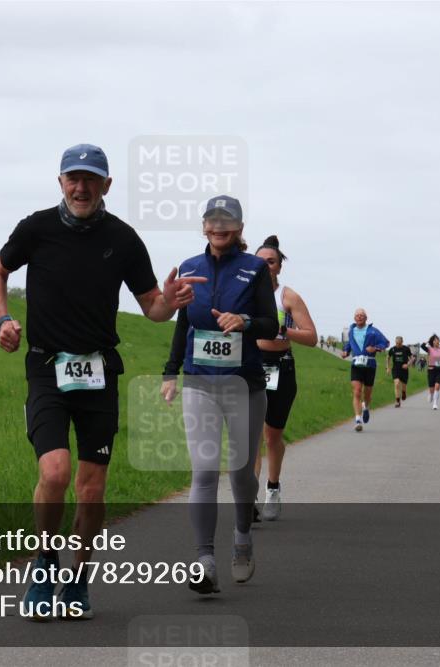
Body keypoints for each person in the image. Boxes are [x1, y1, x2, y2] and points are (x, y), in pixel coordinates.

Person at [0, 144, 203, 621]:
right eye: (72, 178)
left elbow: (152, 308)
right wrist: (1, 319)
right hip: (46, 365)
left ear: (107, 186)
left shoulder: (123, 239)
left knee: (91, 489)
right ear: (60, 182)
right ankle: (44, 565)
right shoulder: (36, 228)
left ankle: (78, 577)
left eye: (91, 179)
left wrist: (172, 300)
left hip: (100, 371)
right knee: (55, 472)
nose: (80, 187)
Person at [161, 196, 279, 594]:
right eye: (212, 221)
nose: (218, 227)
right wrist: (169, 372)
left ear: (240, 228)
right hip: (199, 382)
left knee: (241, 472)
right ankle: (205, 560)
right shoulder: (191, 268)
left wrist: (244, 321)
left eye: (227, 221)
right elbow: (183, 326)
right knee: (205, 470)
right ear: (203, 226)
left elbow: (270, 324)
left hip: (244, 384)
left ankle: (243, 539)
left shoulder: (255, 269)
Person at [253, 236, 318, 521]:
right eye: (260, 261)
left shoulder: (287, 297)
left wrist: (282, 330)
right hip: (251, 366)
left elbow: (312, 337)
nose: (265, 266)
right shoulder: (244, 293)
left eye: (271, 262)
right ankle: (248, 499)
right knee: (250, 435)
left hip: (281, 367)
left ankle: (273, 487)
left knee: (272, 435)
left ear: (279, 267)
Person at [340, 309, 390, 432]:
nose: (359, 317)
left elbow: (386, 342)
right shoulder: (351, 331)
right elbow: (349, 344)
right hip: (356, 364)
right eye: (357, 315)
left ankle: (366, 407)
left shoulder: (373, 331)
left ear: (366, 318)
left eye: (361, 315)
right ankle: (358, 419)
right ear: (354, 318)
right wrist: (346, 352)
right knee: (357, 391)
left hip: (370, 364)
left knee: (367, 394)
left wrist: (376, 348)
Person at [420, 335, 440, 409]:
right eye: (435, 340)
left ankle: (435, 404)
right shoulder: (430, 349)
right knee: (431, 389)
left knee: (437, 386)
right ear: (432, 342)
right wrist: (427, 341)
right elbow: (422, 346)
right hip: (431, 370)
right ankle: (431, 395)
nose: (436, 341)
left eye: (437, 340)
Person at [385, 336, 413, 407]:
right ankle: (397, 401)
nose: (398, 344)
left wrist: (407, 364)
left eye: (399, 343)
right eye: (396, 343)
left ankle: (404, 392)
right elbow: (388, 358)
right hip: (395, 369)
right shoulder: (392, 349)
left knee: (403, 386)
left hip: (404, 370)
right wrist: (388, 368)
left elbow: (412, 359)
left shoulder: (406, 349)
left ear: (402, 342)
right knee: (397, 384)